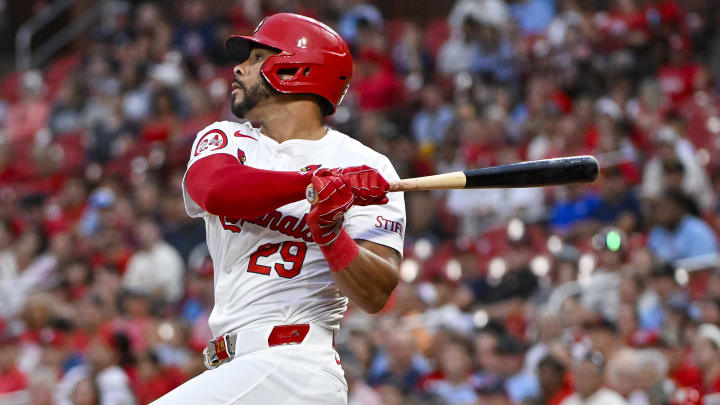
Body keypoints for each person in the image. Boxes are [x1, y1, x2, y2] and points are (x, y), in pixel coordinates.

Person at [152, 13, 405, 404]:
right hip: (237, 367)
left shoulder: (368, 166)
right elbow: (215, 189)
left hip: (296, 365)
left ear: (297, 68)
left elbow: (376, 294)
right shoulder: (227, 138)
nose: (239, 68)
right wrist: (313, 183)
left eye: (256, 58)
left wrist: (331, 234)